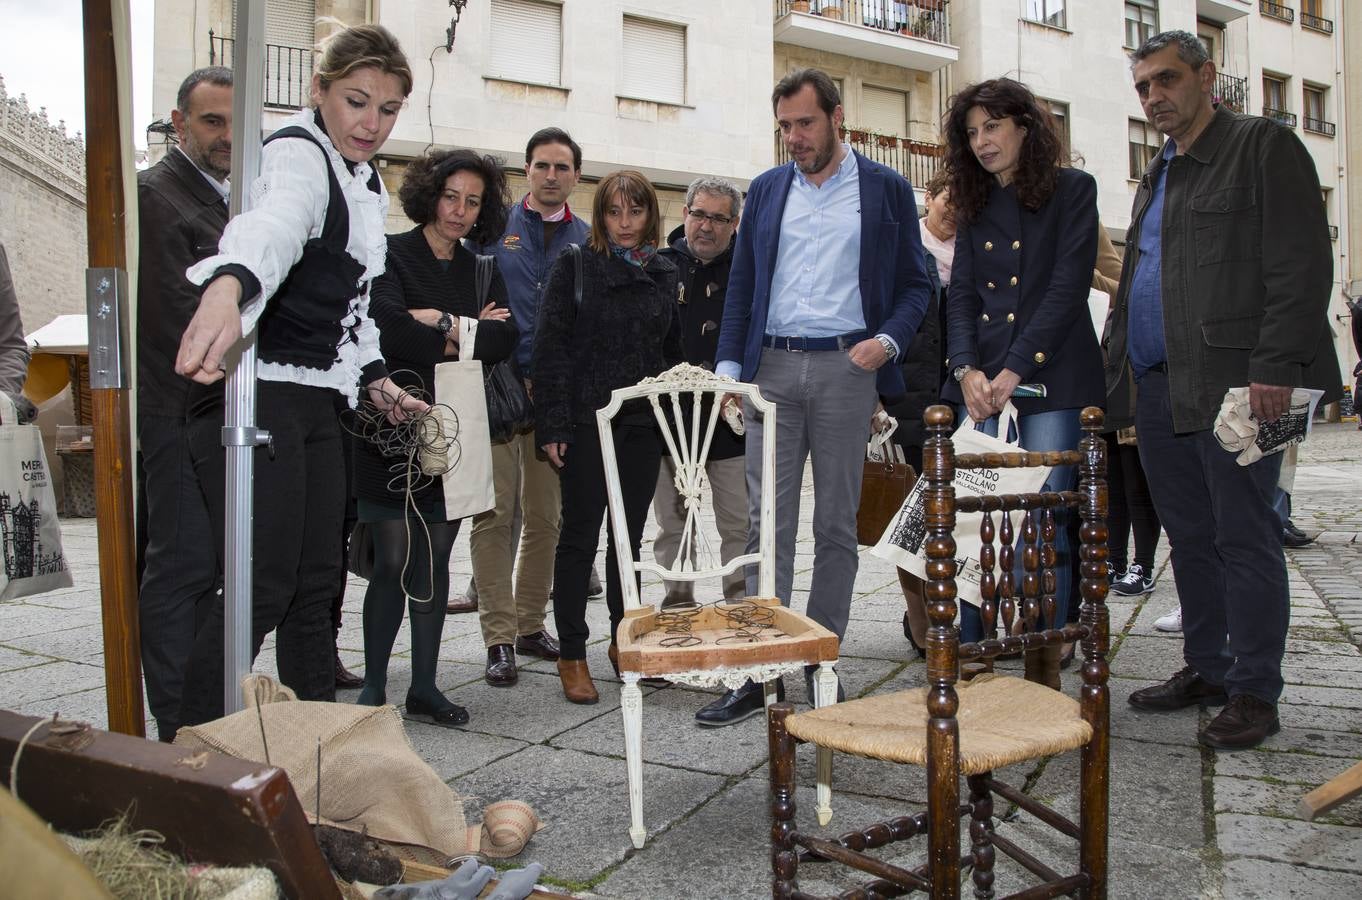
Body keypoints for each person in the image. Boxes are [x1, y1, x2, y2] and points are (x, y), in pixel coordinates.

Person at [174, 24, 425, 727]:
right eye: (356, 101)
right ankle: (189, 753)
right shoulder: (297, 155)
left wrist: (377, 381)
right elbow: (275, 226)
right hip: (264, 394)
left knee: (318, 586)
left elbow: (355, 306)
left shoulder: (362, 177)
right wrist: (230, 284)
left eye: (388, 109)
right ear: (318, 92)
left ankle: (318, 748)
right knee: (262, 585)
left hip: (320, 402)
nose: (371, 123)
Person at [1110, 31, 1341, 750]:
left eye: (1167, 80)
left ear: (1208, 77)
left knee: (1246, 534)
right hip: (1158, 388)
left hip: (1243, 386)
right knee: (1190, 535)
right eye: (1144, 85)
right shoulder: (1160, 171)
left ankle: (1254, 690)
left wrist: (1275, 365)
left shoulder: (1263, 148)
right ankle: (1207, 668)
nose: (1154, 96)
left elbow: (1302, 267)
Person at [710, 68, 930, 725]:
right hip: (771, 367)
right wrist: (729, 369)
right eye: (784, 127)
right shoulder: (769, 189)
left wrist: (885, 343)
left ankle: (821, 662)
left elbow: (917, 287)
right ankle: (760, 669)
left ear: (838, 118)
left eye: (805, 124)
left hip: (845, 369)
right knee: (763, 524)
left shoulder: (887, 191)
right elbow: (742, 285)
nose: (794, 138)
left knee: (836, 523)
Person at [939, 76, 1102, 689]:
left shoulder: (1073, 191)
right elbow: (959, 298)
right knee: (970, 516)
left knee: (1045, 512)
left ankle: (1048, 641)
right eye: (972, 132)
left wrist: (1012, 370)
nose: (982, 142)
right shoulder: (976, 205)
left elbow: (1066, 290)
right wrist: (966, 371)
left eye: (993, 127)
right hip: (982, 384)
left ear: (1025, 127)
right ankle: (972, 641)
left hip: (1051, 380)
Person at [353, 149, 517, 726]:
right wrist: (465, 333)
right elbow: (386, 330)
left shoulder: (481, 267)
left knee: (437, 557)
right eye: (452, 197)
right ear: (430, 193)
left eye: (473, 202)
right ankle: (374, 687)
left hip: (455, 427)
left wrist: (440, 322)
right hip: (392, 423)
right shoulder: (391, 254)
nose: (460, 211)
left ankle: (424, 686)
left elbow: (504, 343)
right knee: (392, 559)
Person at [533, 170, 683, 705]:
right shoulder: (576, 263)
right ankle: (572, 653)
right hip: (585, 421)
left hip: (641, 425)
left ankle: (626, 644)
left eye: (635, 212)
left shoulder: (665, 272)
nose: (624, 223)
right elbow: (549, 348)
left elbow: (667, 353)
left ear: (650, 216)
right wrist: (551, 424)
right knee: (578, 538)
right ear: (599, 215)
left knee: (629, 540)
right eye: (614, 212)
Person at [465, 128, 588, 686]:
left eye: (562, 167)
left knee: (546, 518)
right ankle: (497, 639)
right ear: (527, 171)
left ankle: (530, 624)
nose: (551, 175)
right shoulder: (493, 231)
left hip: (556, 399)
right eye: (542, 165)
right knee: (495, 514)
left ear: (575, 176)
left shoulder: (588, 239)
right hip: (496, 389)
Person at [134, 66, 233, 741]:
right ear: (179, 125)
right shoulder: (155, 196)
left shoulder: (229, 200)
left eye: (235, 122)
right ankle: (177, 723)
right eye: (211, 121)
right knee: (182, 566)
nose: (226, 135)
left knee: (213, 568)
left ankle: (204, 714)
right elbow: (178, 317)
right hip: (178, 411)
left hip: (219, 416)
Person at [652, 175, 748, 608]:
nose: (706, 226)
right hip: (667, 423)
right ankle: (677, 610)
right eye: (699, 214)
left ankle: (741, 610)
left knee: (740, 524)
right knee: (674, 524)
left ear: (735, 223)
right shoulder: (656, 267)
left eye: (718, 218)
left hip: (730, 423)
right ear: (685, 213)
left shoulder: (750, 271)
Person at [885, 167, 951, 657]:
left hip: (957, 404)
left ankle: (955, 614)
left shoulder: (975, 254)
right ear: (930, 196)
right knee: (909, 518)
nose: (957, 210)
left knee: (953, 517)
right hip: (907, 402)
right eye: (951, 197)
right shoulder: (904, 247)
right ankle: (920, 619)